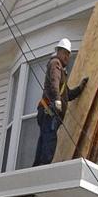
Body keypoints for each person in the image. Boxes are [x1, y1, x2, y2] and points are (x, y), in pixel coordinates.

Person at [32, 37, 88, 166]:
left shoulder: (61, 70)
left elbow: (67, 94)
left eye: (69, 54)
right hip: (49, 111)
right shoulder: (55, 63)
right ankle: (43, 168)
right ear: (59, 52)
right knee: (49, 141)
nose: (67, 57)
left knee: (44, 141)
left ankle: (37, 168)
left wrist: (80, 88)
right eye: (65, 53)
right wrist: (57, 99)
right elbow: (54, 82)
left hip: (47, 111)